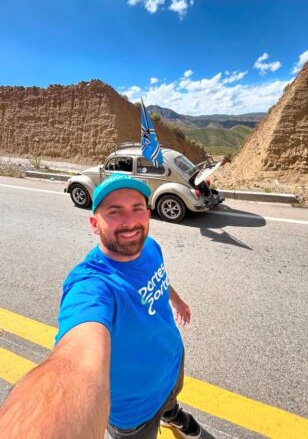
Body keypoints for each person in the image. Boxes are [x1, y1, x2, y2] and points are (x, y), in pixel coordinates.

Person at [0, 174, 201, 439]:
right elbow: (76, 361)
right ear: (95, 223)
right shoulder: (92, 284)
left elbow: (158, 274)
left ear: (148, 214)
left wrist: (176, 299)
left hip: (171, 362)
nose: (130, 221)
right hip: (134, 413)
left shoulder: (151, 247)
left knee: (171, 400)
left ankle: (171, 413)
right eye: (115, 212)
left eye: (137, 208)